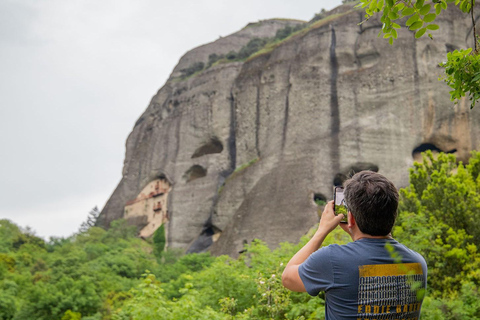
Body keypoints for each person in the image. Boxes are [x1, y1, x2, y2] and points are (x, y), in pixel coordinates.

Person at [282, 171, 427, 320]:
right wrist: (354, 227)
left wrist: (322, 230)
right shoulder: (418, 264)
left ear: (350, 218)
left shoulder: (333, 260)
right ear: (393, 214)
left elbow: (287, 278)